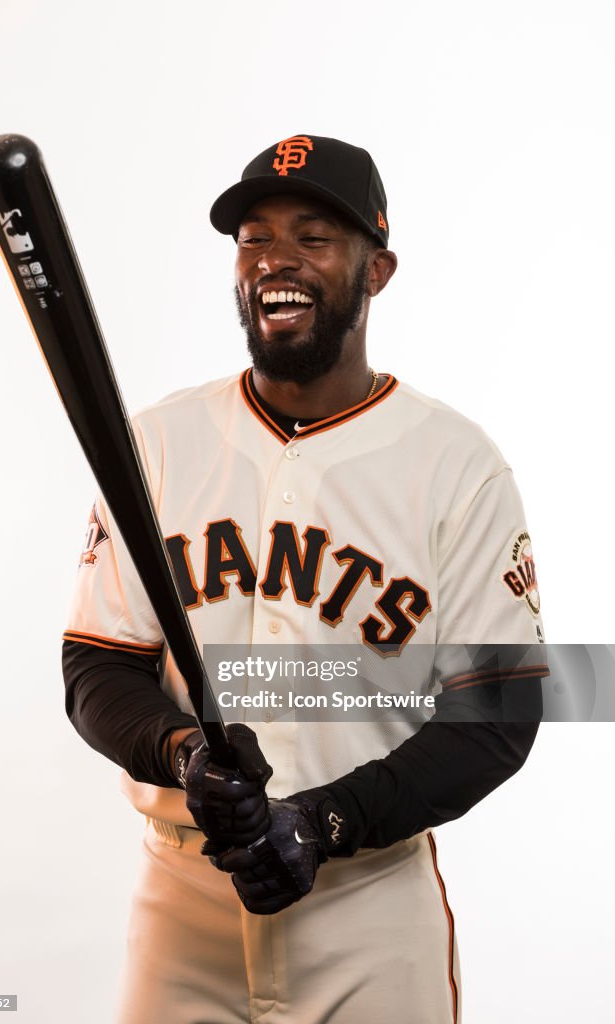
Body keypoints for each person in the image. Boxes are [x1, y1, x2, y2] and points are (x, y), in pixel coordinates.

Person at [62, 134, 548, 1024]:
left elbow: (499, 717)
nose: (275, 259)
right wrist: (184, 751)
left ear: (378, 269)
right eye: (253, 237)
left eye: (314, 236)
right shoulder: (157, 446)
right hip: (182, 902)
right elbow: (96, 669)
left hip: (368, 909)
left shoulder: (456, 465)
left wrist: (324, 821)